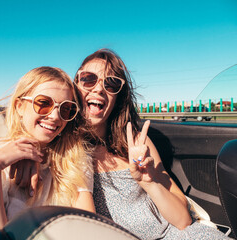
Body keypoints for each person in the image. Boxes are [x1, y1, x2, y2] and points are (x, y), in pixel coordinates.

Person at [72, 48, 231, 239]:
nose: (98, 88)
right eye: (89, 78)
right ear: (75, 87)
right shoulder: (64, 148)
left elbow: (183, 221)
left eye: (111, 83)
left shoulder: (138, 142)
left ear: (118, 98)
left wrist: (149, 183)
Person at [0, 66, 95, 235]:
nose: (55, 116)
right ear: (20, 106)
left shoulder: (75, 159)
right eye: (44, 103)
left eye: (65, 109)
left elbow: (88, 230)